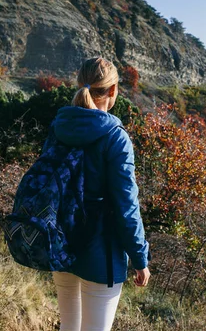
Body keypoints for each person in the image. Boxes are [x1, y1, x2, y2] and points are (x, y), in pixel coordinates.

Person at [49, 57, 150, 331]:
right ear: (113, 90)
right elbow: (126, 205)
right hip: (100, 253)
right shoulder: (116, 137)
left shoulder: (60, 126)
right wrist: (140, 258)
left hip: (61, 244)